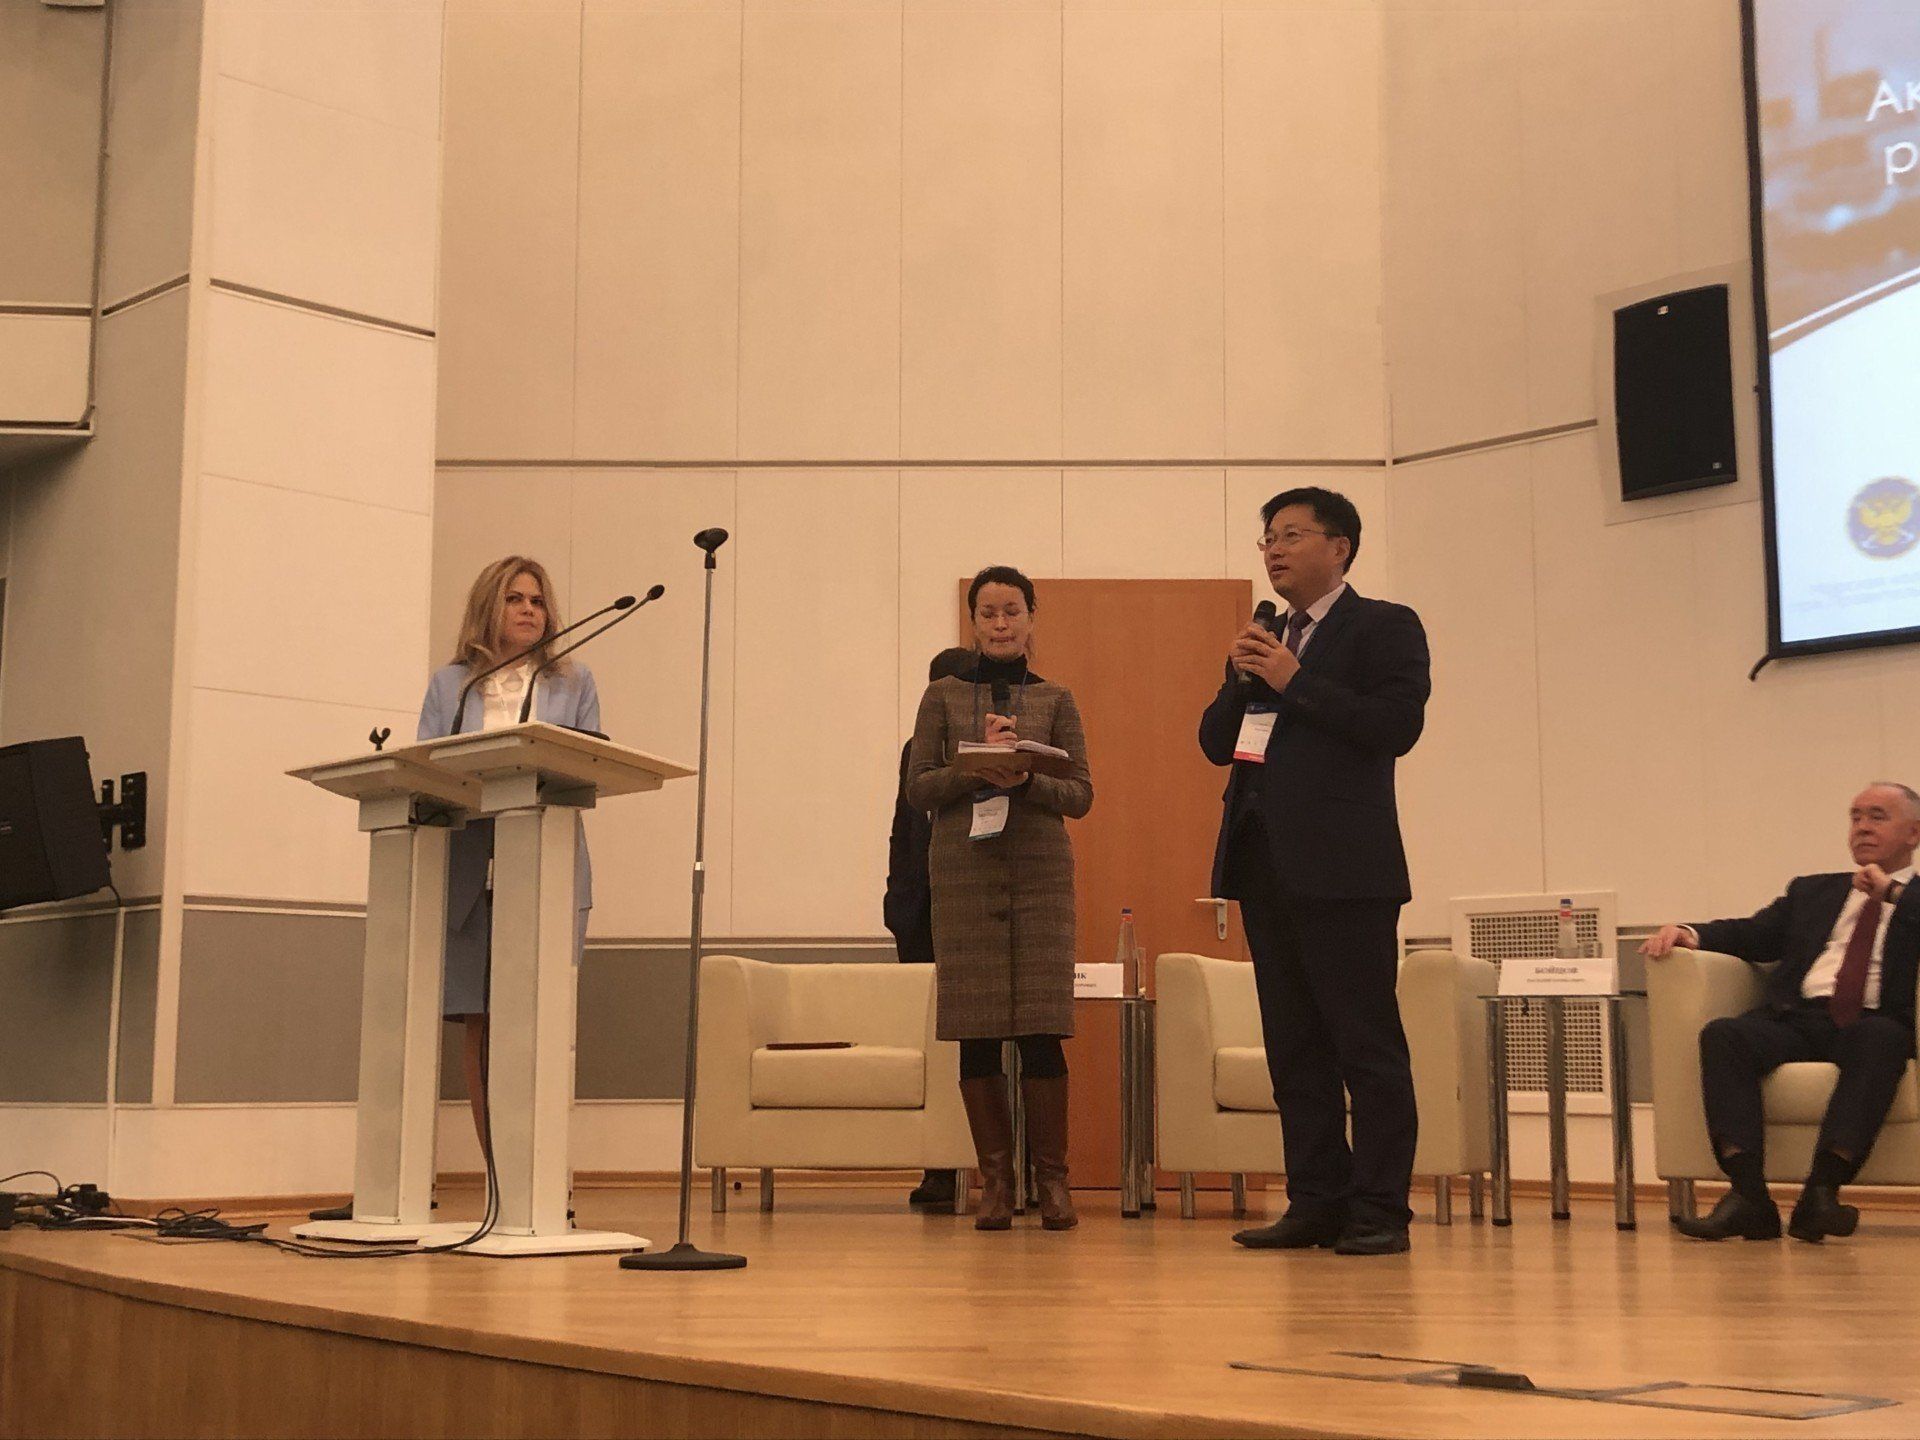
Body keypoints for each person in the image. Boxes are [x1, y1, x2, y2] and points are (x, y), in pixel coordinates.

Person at [1199, 487, 1431, 1256]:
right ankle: (1315, 1202)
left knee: (1365, 1046)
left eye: (1291, 535)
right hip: (1265, 866)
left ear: (1340, 547)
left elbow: (1395, 726)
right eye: (1267, 537)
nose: (1273, 549)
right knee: (1294, 1047)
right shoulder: (1264, 636)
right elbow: (1215, 744)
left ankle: (1380, 1210)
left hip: (1347, 871)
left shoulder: (1385, 626)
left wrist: (1293, 680)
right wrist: (1245, 679)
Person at [1642, 783, 1920, 1243]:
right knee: (1725, 1035)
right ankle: (1748, 1197)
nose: (1862, 827)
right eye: (1855, 817)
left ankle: (1821, 1194)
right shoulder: (1813, 890)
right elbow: (1754, 934)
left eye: (1877, 816)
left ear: (1913, 833)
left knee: (1882, 1039)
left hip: (1873, 1021)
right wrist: (1690, 933)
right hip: (1800, 1016)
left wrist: (1891, 892)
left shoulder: (1911, 897)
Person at [906, 568, 1093, 1232]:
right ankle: (996, 1184)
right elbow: (919, 789)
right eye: (988, 613)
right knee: (977, 1033)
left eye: (1012, 610)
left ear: (1032, 616)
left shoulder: (1057, 698)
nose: (1001, 623)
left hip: (1041, 876)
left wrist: (1025, 780)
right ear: (973, 621)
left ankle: (1054, 1184)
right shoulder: (942, 696)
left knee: (1043, 1032)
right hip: (964, 873)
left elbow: (1081, 794)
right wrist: (974, 767)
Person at [886, 646, 976, 1210]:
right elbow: (902, 829)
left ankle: (998, 1167)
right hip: (919, 913)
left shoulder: (992, 751)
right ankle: (939, 1168)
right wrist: (896, 902)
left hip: (974, 909)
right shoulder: (913, 752)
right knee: (934, 1047)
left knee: (981, 1046)